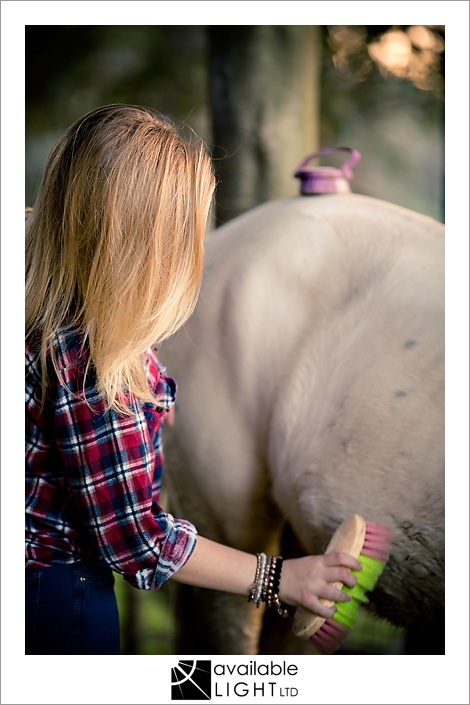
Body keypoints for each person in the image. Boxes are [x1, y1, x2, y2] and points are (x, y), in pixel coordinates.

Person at [25, 104, 361, 655]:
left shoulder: (40, 306)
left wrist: (147, 396)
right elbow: (139, 543)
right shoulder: (95, 368)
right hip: (59, 603)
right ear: (152, 248)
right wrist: (281, 578)